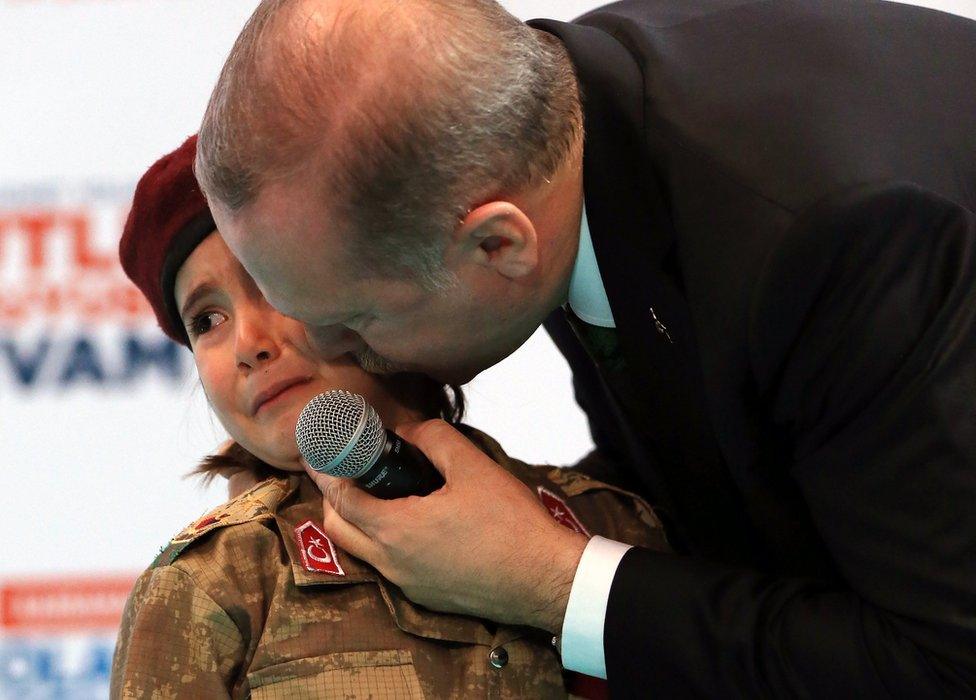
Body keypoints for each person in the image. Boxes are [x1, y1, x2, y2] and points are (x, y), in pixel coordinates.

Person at [194, 0, 976, 696]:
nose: (327, 348)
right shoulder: (554, 126)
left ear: (500, 245)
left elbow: (949, 664)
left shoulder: (831, 244)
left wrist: (552, 581)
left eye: (354, 320)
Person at [109, 135, 669, 698]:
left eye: (270, 283)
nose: (248, 344)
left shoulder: (607, 524)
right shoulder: (208, 589)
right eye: (206, 320)